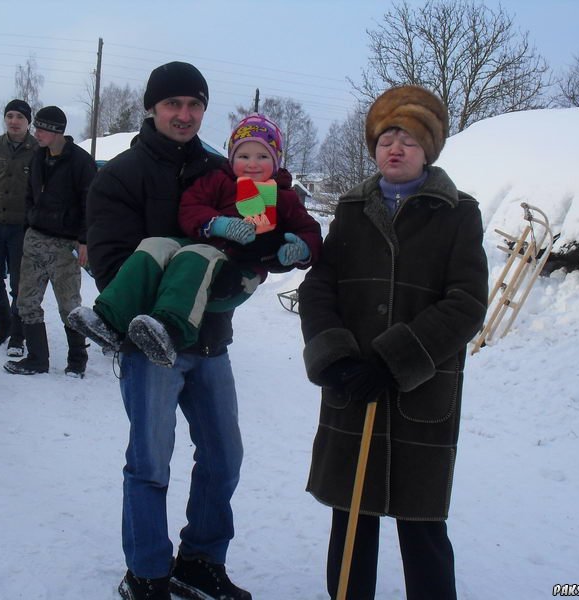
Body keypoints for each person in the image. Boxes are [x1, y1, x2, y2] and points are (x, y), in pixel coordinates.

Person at [297, 85, 489, 600]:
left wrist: (395, 359)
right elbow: (319, 287)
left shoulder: (458, 213)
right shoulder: (354, 210)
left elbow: (467, 302)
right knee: (351, 520)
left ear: (429, 148)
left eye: (407, 138)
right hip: (353, 388)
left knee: (421, 524)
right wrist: (334, 359)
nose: (395, 148)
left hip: (420, 393)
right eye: (385, 138)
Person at [85, 61, 253, 600]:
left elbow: (250, 239)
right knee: (151, 461)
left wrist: (260, 258)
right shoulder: (120, 175)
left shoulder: (223, 171)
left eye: (194, 104)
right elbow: (110, 267)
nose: (184, 114)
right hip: (149, 348)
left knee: (224, 456)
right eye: (173, 104)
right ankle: (148, 572)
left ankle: (200, 562)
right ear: (152, 109)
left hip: (211, 342)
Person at [69, 113, 322, 368]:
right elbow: (190, 207)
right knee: (156, 245)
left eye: (263, 157)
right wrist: (218, 223)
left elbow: (309, 230)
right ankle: (110, 319)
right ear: (232, 157)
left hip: (238, 270)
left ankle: (172, 329)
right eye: (244, 156)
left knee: (196, 256)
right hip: (202, 245)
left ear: (276, 161)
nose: (252, 164)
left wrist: (300, 248)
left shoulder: (283, 196)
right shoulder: (219, 180)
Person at [3, 106, 97, 378]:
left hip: (65, 244)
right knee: (27, 301)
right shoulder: (37, 157)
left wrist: (84, 240)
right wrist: (29, 225)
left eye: (42, 129)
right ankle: (36, 359)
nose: (37, 133)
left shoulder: (80, 161)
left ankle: (77, 361)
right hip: (35, 239)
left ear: (57, 131)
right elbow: (29, 196)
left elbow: (90, 203)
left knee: (69, 305)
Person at [0, 99, 37, 356]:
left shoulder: (37, 149)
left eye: (20, 117)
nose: (14, 121)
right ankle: (4, 323)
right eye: (10, 116)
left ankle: (18, 335)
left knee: (19, 283)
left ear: (28, 122)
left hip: (21, 226)